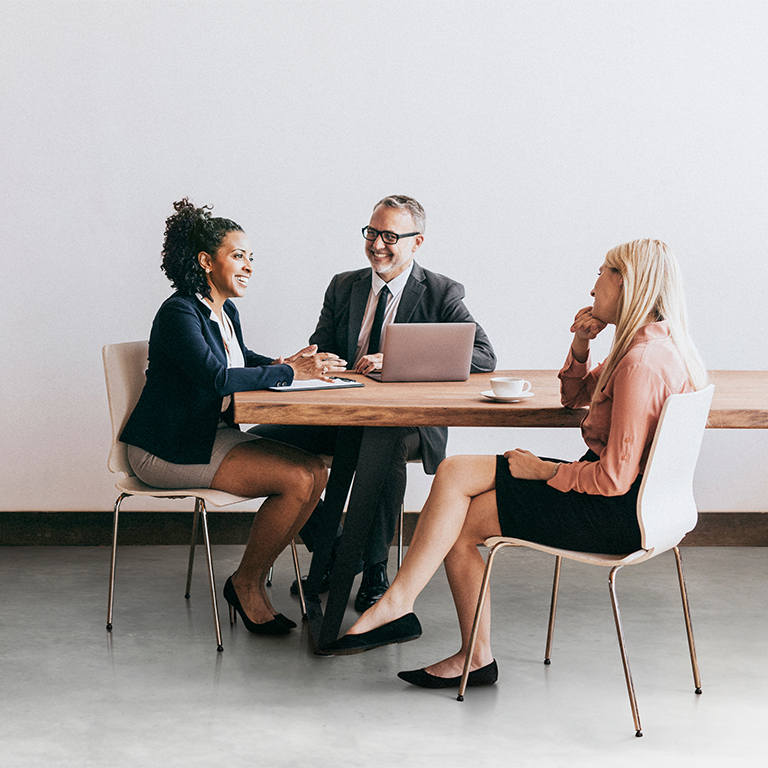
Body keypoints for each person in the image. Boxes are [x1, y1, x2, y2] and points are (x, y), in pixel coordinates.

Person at [323, 238, 709, 690]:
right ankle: (399, 602)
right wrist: (581, 344)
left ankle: (468, 651)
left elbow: (613, 479)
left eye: (603, 273)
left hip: (615, 511)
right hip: (642, 504)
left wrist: (544, 471)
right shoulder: (652, 346)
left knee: (463, 526)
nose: (592, 288)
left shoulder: (641, 363)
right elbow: (573, 398)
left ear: (627, 282)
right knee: (455, 471)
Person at [248, 195, 496, 611]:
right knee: (257, 444)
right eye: (372, 232)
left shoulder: (440, 292)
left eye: (390, 236)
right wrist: (317, 360)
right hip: (342, 413)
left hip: (408, 425)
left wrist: (400, 359)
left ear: (416, 243)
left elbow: (484, 356)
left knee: (387, 446)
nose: (377, 244)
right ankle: (337, 544)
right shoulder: (343, 285)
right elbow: (321, 346)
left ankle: (376, 568)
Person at [120, 199, 346, 635]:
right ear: (206, 261)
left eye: (250, 257)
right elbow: (217, 377)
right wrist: (286, 372)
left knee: (315, 470)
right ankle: (245, 583)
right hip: (165, 448)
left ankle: (254, 577)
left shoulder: (225, 311)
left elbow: (240, 359)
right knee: (299, 479)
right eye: (238, 255)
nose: (248, 266)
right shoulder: (179, 312)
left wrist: (287, 363)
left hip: (207, 436)